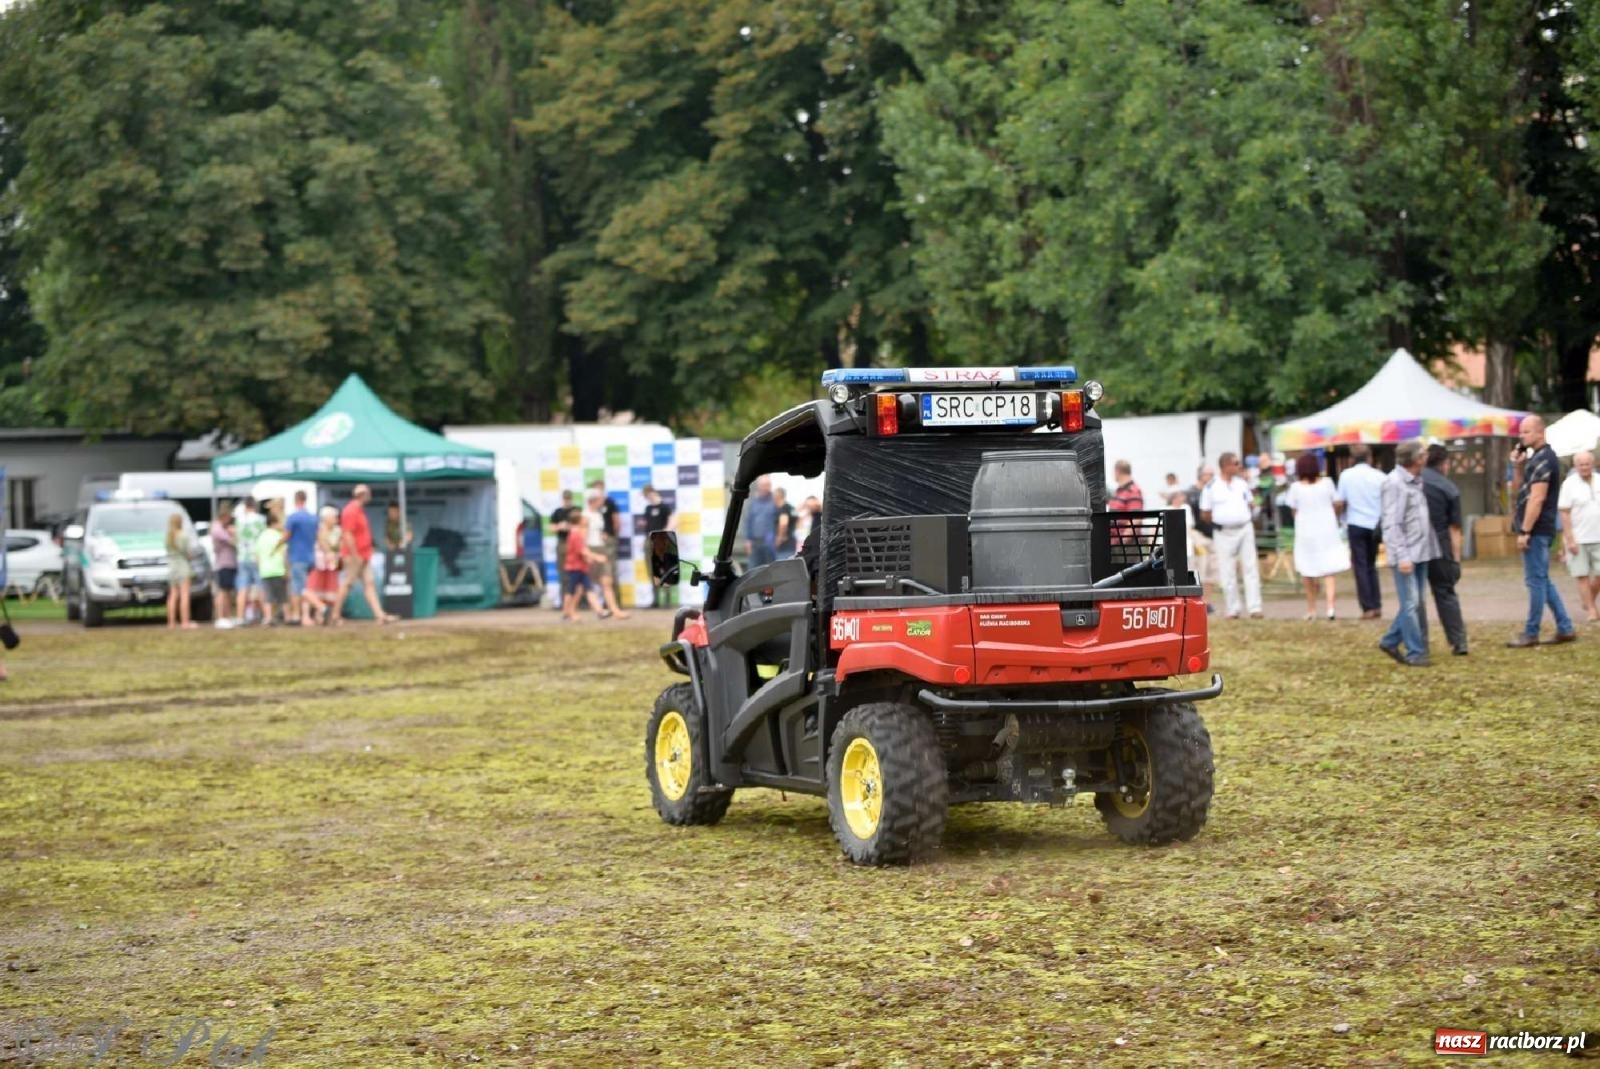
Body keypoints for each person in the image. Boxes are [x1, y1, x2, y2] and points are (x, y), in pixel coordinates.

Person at [1506, 415, 1576, 647]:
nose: (1522, 436)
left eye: (1526, 432)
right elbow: (1521, 490)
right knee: (1543, 580)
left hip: (1536, 528)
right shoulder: (1535, 459)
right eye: (1520, 432)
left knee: (1535, 581)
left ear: (1540, 432)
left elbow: (1537, 499)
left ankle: (1531, 631)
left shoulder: (1545, 459)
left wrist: (1525, 531)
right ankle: (1565, 627)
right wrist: (1518, 465)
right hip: (1535, 528)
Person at [1377, 438, 1439, 667]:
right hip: (1406, 553)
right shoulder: (1394, 483)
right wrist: (1402, 556)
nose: (1426, 457)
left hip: (1421, 551)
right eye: (1423, 454)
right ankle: (1414, 651)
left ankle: (1391, 640)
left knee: (1415, 602)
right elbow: (1392, 523)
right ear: (1415, 459)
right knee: (1410, 603)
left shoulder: (1416, 480)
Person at [1285, 453, 1349, 620]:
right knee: (1329, 569)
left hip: (1306, 531)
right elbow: (1337, 503)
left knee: (1307, 569)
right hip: (1327, 529)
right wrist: (1333, 515)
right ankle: (1330, 608)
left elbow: (1293, 510)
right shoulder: (1327, 483)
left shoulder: (1295, 488)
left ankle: (1312, 608)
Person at [1419, 443, 1469, 656]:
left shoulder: (1414, 481)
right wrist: (1456, 559)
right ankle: (1458, 641)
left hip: (1416, 543)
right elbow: (1454, 528)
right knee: (1445, 593)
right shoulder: (1449, 488)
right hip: (1440, 544)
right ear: (1445, 464)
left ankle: (1419, 642)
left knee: (1415, 596)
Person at [1199, 452, 1262, 619]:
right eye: (1235, 463)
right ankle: (1233, 608)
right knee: (1227, 570)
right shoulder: (1211, 486)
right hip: (1223, 531)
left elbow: (1250, 503)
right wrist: (1220, 521)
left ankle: (1255, 607)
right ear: (1226, 465)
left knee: (1250, 567)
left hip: (1244, 528)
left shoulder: (1241, 484)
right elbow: (1205, 513)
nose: (1238, 466)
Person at [1335, 445, 1386, 619]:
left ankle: (1367, 606)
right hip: (1374, 524)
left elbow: (1340, 502)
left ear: (1352, 459)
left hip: (1355, 523)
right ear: (1369, 458)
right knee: (1372, 565)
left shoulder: (1346, 476)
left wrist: (1338, 518)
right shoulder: (1380, 476)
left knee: (1360, 566)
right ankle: (1377, 604)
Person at [337, 484, 398, 624]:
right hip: (354, 556)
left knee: (369, 584)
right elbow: (347, 534)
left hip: (364, 555)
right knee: (347, 585)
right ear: (362, 495)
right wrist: (355, 555)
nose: (370, 496)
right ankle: (335, 615)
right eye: (368, 493)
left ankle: (380, 616)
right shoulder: (350, 510)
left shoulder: (359, 510)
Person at [1557, 449, 1600, 624]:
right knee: (1581, 574)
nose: (1584, 467)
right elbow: (1564, 513)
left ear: (1593, 464)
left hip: (1598, 535)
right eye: (1580, 464)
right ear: (1575, 466)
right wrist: (1569, 539)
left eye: (1587, 464)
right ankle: (1591, 609)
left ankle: (1588, 599)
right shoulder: (1569, 484)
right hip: (1578, 537)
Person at [583, 487, 630, 620]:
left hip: (601, 548)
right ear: (593, 501)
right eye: (599, 499)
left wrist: (602, 536)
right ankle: (570, 611)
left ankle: (614, 611)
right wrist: (588, 554)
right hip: (592, 550)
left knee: (607, 581)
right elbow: (582, 537)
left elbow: (597, 530)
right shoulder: (585, 516)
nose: (602, 501)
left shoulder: (597, 514)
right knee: (583, 584)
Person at [562, 512, 609, 621]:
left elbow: (580, 551)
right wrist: (597, 557)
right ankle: (567, 612)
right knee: (572, 590)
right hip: (575, 567)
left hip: (581, 567)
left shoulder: (575, 533)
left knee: (588, 589)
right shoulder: (576, 534)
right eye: (583, 518)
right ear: (579, 520)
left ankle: (600, 611)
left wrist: (589, 559)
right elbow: (583, 551)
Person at [1186, 463, 1217, 612]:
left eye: (1212, 474)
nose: (1210, 477)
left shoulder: (1214, 491)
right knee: (1199, 569)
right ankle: (1197, 602)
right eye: (1207, 474)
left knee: (1212, 570)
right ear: (1200, 475)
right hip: (1198, 535)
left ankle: (1207, 602)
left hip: (1213, 534)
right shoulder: (1191, 493)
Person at [285, 491, 318, 626]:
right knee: (304, 586)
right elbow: (318, 536)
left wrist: (276, 546)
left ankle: (298, 615)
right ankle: (305, 617)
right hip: (310, 557)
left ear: (296, 500)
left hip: (297, 556)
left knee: (298, 588)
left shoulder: (293, 518)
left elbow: (286, 536)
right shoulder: (313, 518)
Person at [307, 505, 342, 626]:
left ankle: (329, 616)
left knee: (331, 591)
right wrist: (329, 553)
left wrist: (334, 555)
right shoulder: (319, 530)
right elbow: (322, 542)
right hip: (319, 564)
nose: (335, 519)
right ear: (326, 518)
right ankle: (319, 614)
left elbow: (339, 545)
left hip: (332, 565)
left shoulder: (337, 531)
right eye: (333, 517)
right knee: (315, 589)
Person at [643, 485, 675, 608]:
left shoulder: (664, 507)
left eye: (649, 494)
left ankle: (667, 600)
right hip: (649, 540)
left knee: (664, 569)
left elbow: (673, 520)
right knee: (652, 570)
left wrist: (664, 532)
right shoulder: (648, 508)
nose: (648, 497)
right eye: (646, 495)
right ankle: (655, 600)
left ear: (654, 492)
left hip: (661, 540)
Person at [256, 509, 289, 627]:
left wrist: (260, 568)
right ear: (274, 523)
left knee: (268, 597)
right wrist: (287, 569)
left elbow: (257, 555)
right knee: (283, 597)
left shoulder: (261, 536)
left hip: (265, 570)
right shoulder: (278, 536)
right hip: (278, 569)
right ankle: (287, 617)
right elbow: (284, 554)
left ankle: (268, 617)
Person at [164, 512, 197, 630]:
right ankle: (185, 622)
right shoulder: (183, 536)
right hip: (183, 567)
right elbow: (188, 554)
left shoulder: (168, 537)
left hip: (172, 568)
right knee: (184, 595)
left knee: (173, 595)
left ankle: (171, 622)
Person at [235, 497, 265, 624]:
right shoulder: (260, 520)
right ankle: (266, 616)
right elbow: (263, 538)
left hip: (242, 557)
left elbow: (236, 538)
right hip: (257, 557)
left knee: (243, 588)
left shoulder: (239, 520)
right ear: (255, 505)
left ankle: (240, 617)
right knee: (261, 587)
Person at [211, 507, 238, 626]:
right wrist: (233, 533)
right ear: (224, 517)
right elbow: (232, 541)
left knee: (226, 592)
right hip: (223, 564)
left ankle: (226, 617)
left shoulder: (222, 527)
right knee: (222, 591)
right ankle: (220, 617)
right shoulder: (217, 528)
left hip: (229, 563)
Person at [744, 475, 777, 568]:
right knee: (753, 570)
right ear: (759, 486)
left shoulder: (775, 501)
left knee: (771, 570)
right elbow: (749, 522)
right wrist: (747, 540)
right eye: (763, 485)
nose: (766, 488)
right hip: (755, 543)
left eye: (768, 485)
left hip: (770, 544)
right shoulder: (754, 503)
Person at [773, 487, 798, 560]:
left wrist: (779, 539)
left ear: (777, 496)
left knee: (782, 564)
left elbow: (783, 524)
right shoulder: (791, 508)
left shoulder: (783, 509)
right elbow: (797, 522)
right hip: (791, 542)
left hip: (784, 545)